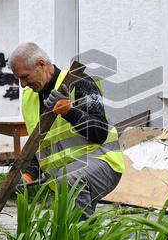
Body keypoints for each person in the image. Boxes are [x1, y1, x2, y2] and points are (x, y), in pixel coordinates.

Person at [7, 42, 124, 217]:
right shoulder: (28, 98)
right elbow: (39, 146)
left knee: (69, 184)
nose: (22, 84)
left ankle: (80, 231)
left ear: (41, 64)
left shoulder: (80, 82)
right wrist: (28, 175)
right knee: (68, 217)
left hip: (102, 161)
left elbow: (99, 133)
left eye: (25, 76)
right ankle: (88, 232)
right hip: (65, 173)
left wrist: (70, 112)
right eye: (19, 79)